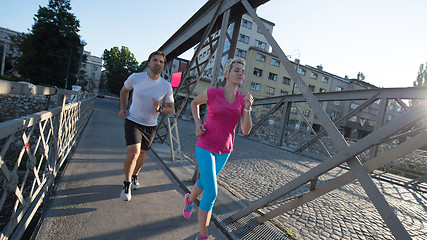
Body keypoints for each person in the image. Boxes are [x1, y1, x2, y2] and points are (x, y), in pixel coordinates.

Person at [183, 58, 253, 240]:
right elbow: (194, 103)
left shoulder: (242, 100)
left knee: (206, 182)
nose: (240, 73)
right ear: (227, 73)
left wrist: (247, 109)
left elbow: (245, 130)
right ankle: (203, 237)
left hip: (225, 150)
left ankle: (189, 200)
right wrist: (198, 124)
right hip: (205, 145)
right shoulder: (212, 93)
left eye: (243, 71)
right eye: (237, 70)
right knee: (211, 192)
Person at [118, 51, 174, 201]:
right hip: (133, 120)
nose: (158, 64)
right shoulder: (136, 78)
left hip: (150, 125)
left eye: (161, 62)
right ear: (149, 62)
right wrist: (122, 108)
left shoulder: (166, 86)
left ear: (163, 65)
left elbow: (171, 108)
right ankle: (126, 183)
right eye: (155, 60)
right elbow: (124, 91)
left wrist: (160, 109)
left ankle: (135, 175)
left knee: (142, 154)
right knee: (134, 153)